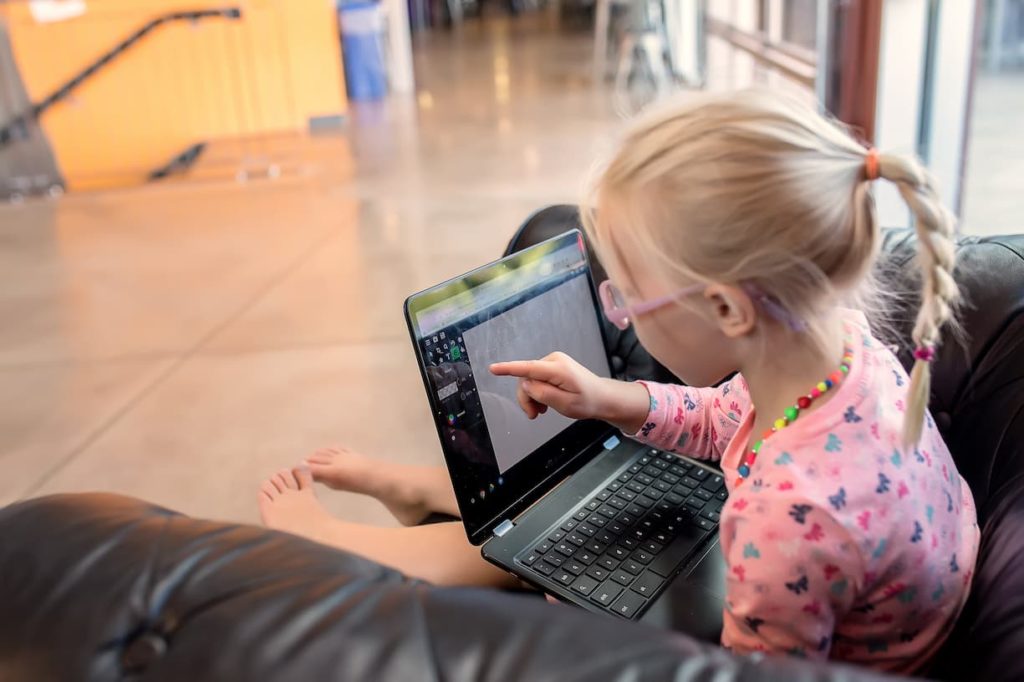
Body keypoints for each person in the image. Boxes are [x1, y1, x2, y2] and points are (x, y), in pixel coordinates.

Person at [257, 89, 978, 673]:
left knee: (556, 556)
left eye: (626, 295)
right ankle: (426, 489)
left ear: (726, 307)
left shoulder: (790, 519)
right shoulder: (844, 353)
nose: (623, 319)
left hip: (811, 643)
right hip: (849, 613)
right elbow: (726, 415)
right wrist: (610, 400)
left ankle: (338, 539)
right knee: (565, 511)